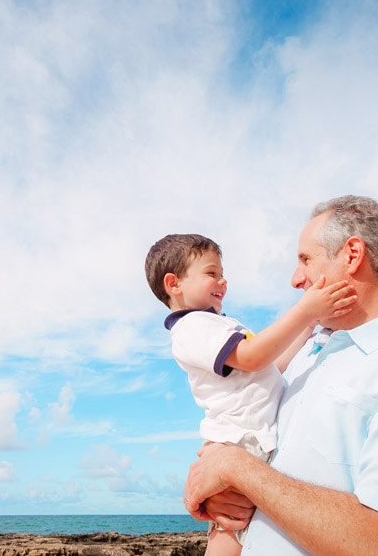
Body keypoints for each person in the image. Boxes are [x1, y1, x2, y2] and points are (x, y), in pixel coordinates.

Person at [183, 196, 378, 556]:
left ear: (352, 254)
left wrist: (238, 469)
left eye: (306, 260)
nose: (296, 279)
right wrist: (222, 496)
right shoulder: (303, 361)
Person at [145, 234, 356, 556]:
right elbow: (254, 356)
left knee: (242, 526)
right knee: (231, 527)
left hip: (249, 437)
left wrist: (309, 322)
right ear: (174, 284)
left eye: (221, 273)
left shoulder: (214, 324)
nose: (222, 280)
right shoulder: (193, 327)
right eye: (211, 273)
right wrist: (304, 310)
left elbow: (267, 365)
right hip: (239, 439)